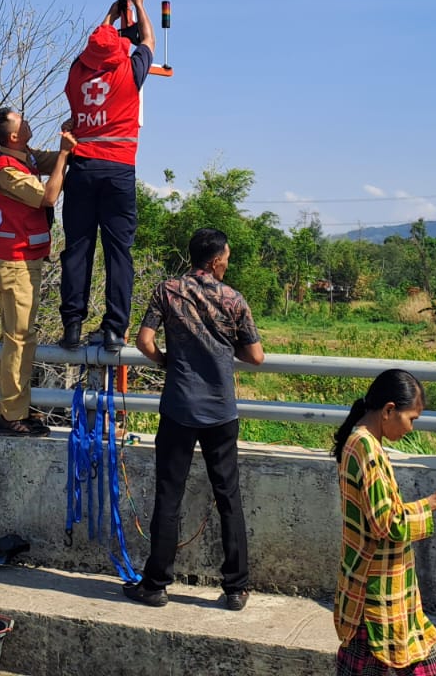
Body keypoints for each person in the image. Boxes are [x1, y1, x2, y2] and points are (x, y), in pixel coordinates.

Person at [122, 227, 262, 611]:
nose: (228, 262)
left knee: (169, 495)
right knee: (228, 497)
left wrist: (166, 361)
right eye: (227, 257)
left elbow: (144, 341)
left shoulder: (168, 291)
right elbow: (256, 356)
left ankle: (155, 584)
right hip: (220, 410)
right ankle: (236, 588)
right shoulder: (233, 300)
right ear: (216, 260)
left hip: (179, 407)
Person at [331, 369, 436, 676]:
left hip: (386, 589)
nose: (411, 428)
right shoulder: (365, 450)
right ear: (389, 410)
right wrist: (433, 504)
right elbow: (388, 524)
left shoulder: (364, 444)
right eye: (412, 419)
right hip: (376, 594)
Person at [58, 0, 155, 351]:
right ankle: (115, 330)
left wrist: (110, 17)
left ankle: (71, 326)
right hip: (117, 171)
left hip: (81, 170)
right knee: (119, 252)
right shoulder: (129, 73)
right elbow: (147, 39)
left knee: (78, 248)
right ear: (120, 49)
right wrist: (139, 5)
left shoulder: (76, 74)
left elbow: (93, 47)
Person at [0, 107, 75, 437]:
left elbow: (52, 162)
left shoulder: (26, 157)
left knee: (16, 338)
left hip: (24, 260)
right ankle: (11, 416)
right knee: (19, 340)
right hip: (14, 263)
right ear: (13, 135)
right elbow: (49, 197)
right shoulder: (6, 169)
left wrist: (71, 137)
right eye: (21, 119)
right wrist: (65, 153)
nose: (27, 119)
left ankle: (7, 411)